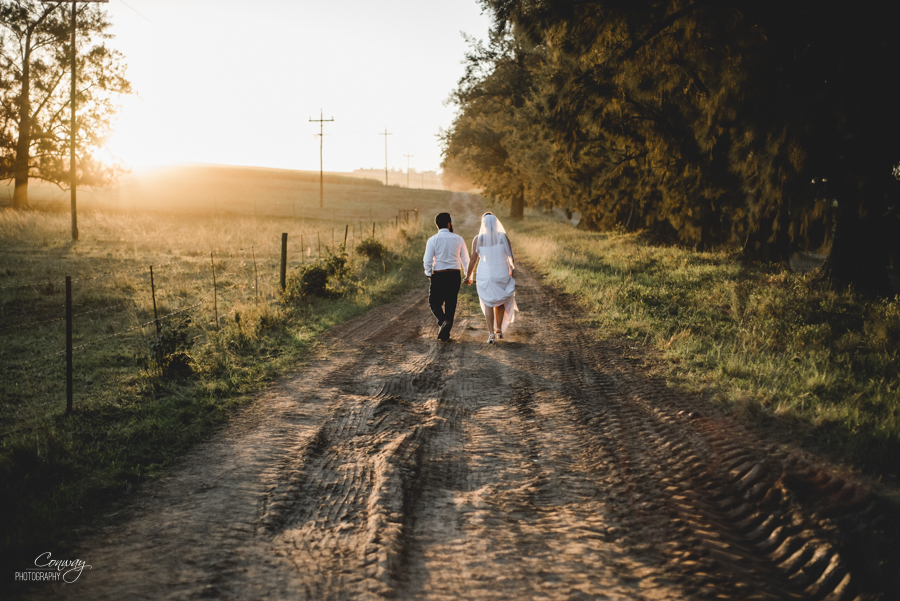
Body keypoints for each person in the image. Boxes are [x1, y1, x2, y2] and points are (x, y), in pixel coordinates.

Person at [465, 212, 517, 343]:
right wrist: (511, 272)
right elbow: (511, 256)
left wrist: (468, 276)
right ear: (495, 223)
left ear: (484, 224)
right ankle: (498, 329)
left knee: (488, 302)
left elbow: (473, 259)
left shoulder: (478, 239)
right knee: (499, 301)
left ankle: (491, 334)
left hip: (486, 275)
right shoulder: (502, 237)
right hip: (501, 273)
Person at [423, 212, 469, 341]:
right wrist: (468, 275)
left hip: (439, 275)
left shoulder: (432, 240)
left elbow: (427, 260)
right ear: (449, 224)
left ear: (437, 225)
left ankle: (443, 321)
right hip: (454, 275)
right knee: (451, 304)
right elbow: (465, 259)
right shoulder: (459, 239)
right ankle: (446, 333)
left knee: (434, 302)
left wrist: (428, 274)